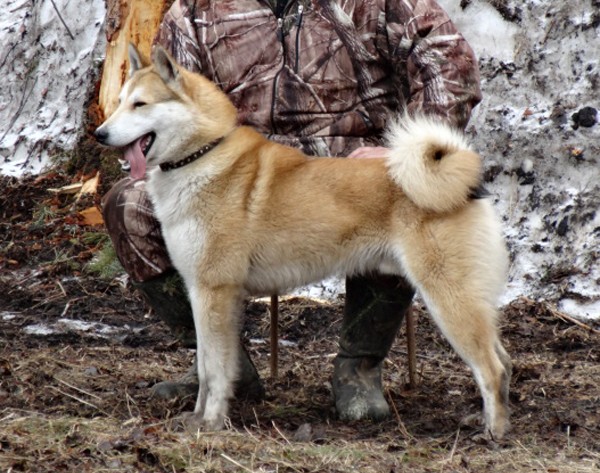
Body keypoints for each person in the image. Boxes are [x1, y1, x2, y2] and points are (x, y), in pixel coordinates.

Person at [102, 0, 481, 421]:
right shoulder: (195, 11)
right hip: (243, 172)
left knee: (399, 195)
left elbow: (449, 61)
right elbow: (173, 104)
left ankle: (359, 365)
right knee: (130, 206)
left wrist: (401, 152)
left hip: (354, 164)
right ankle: (225, 367)